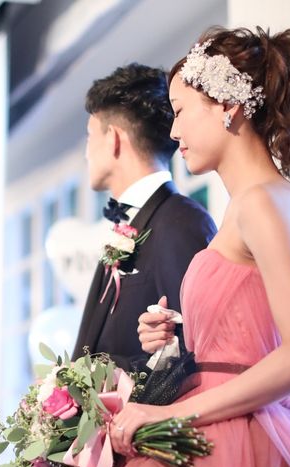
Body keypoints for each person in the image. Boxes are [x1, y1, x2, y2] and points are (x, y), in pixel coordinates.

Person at [54, 27, 290, 467]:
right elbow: (255, 329)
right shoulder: (249, 205)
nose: (173, 131)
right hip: (229, 428)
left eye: (181, 111)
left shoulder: (263, 203)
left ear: (228, 108)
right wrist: (178, 331)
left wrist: (170, 412)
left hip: (247, 446)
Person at [72, 63, 217, 370]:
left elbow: (197, 352)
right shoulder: (129, 224)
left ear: (112, 138)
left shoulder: (181, 222)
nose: (86, 154)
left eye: (89, 137)